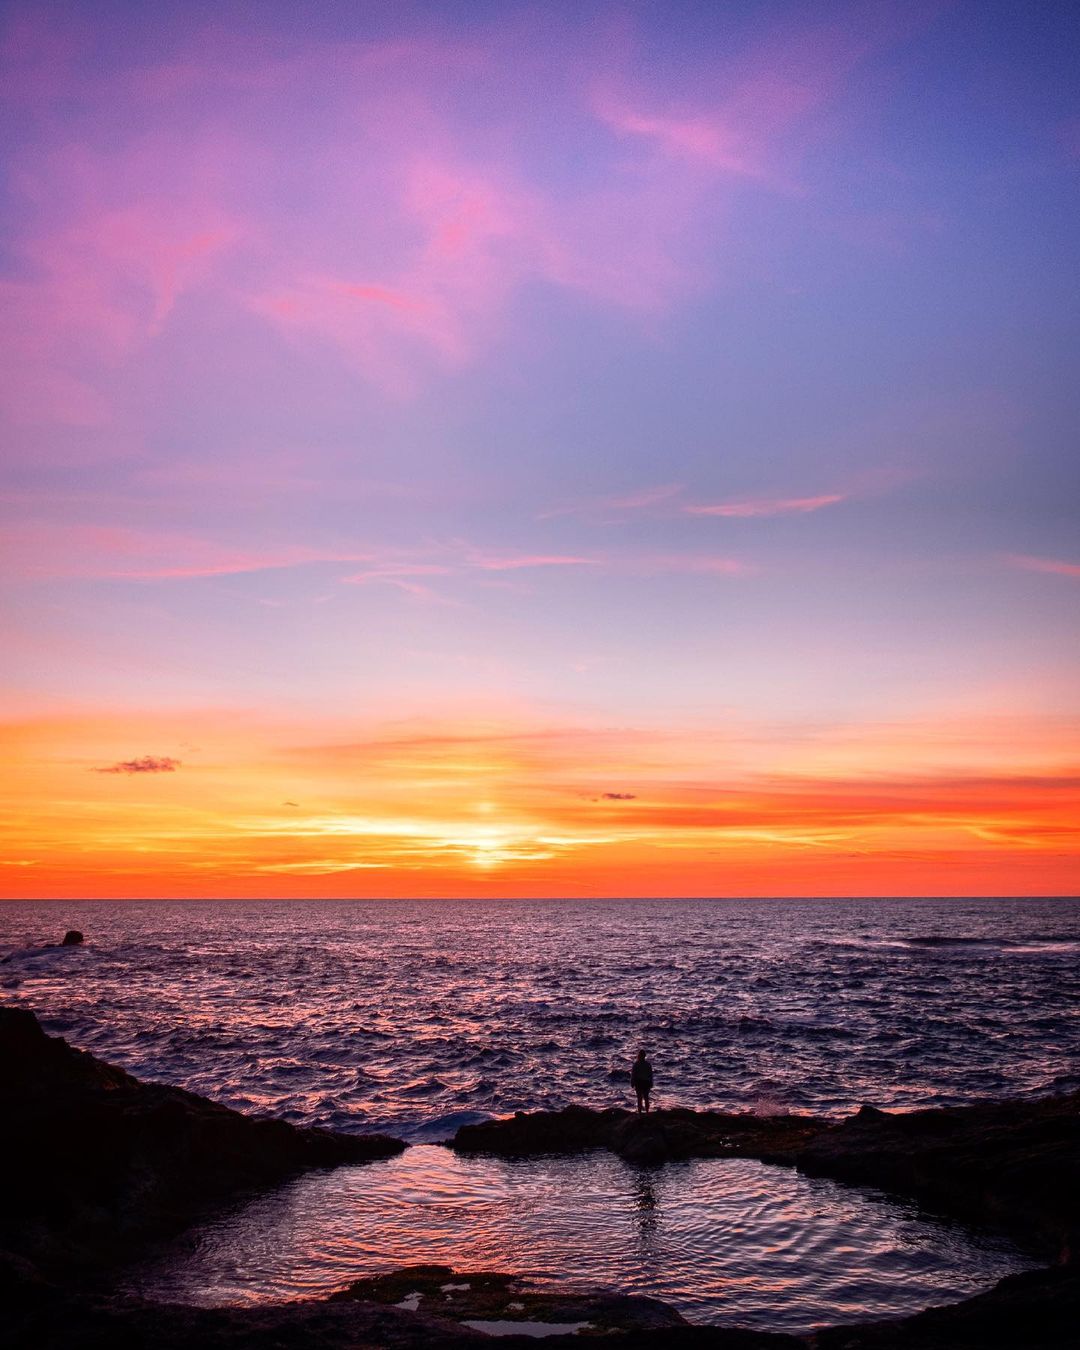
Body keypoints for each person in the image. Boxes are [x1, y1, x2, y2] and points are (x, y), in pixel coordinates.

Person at [631, 1048, 653, 1113]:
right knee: (646, 1098)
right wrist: (651, 1083)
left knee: (639, 1099)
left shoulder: (636, 1064)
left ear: (639, 1055)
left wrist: (632, 1082)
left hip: (639, 1083)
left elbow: (633, 1074)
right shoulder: (648, 1064)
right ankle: (647, 1112)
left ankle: (640, 1113)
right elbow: (650, 1075)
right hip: (646, 1083)